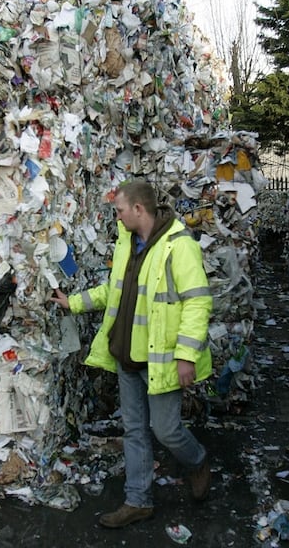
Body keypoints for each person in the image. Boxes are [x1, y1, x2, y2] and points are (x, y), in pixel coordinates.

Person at [51, 180, 213, 529]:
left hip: (160, 360)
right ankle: (138, 501)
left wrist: (186, 355)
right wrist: (74, 303)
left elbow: (197, 302)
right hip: (126, 355)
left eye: (120, 210)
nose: (117, 217)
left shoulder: (179, 246)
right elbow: (113, 290)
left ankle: (198, 460)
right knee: (135, 430)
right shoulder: (126, 242)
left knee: (167, 431)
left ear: (139, 209)